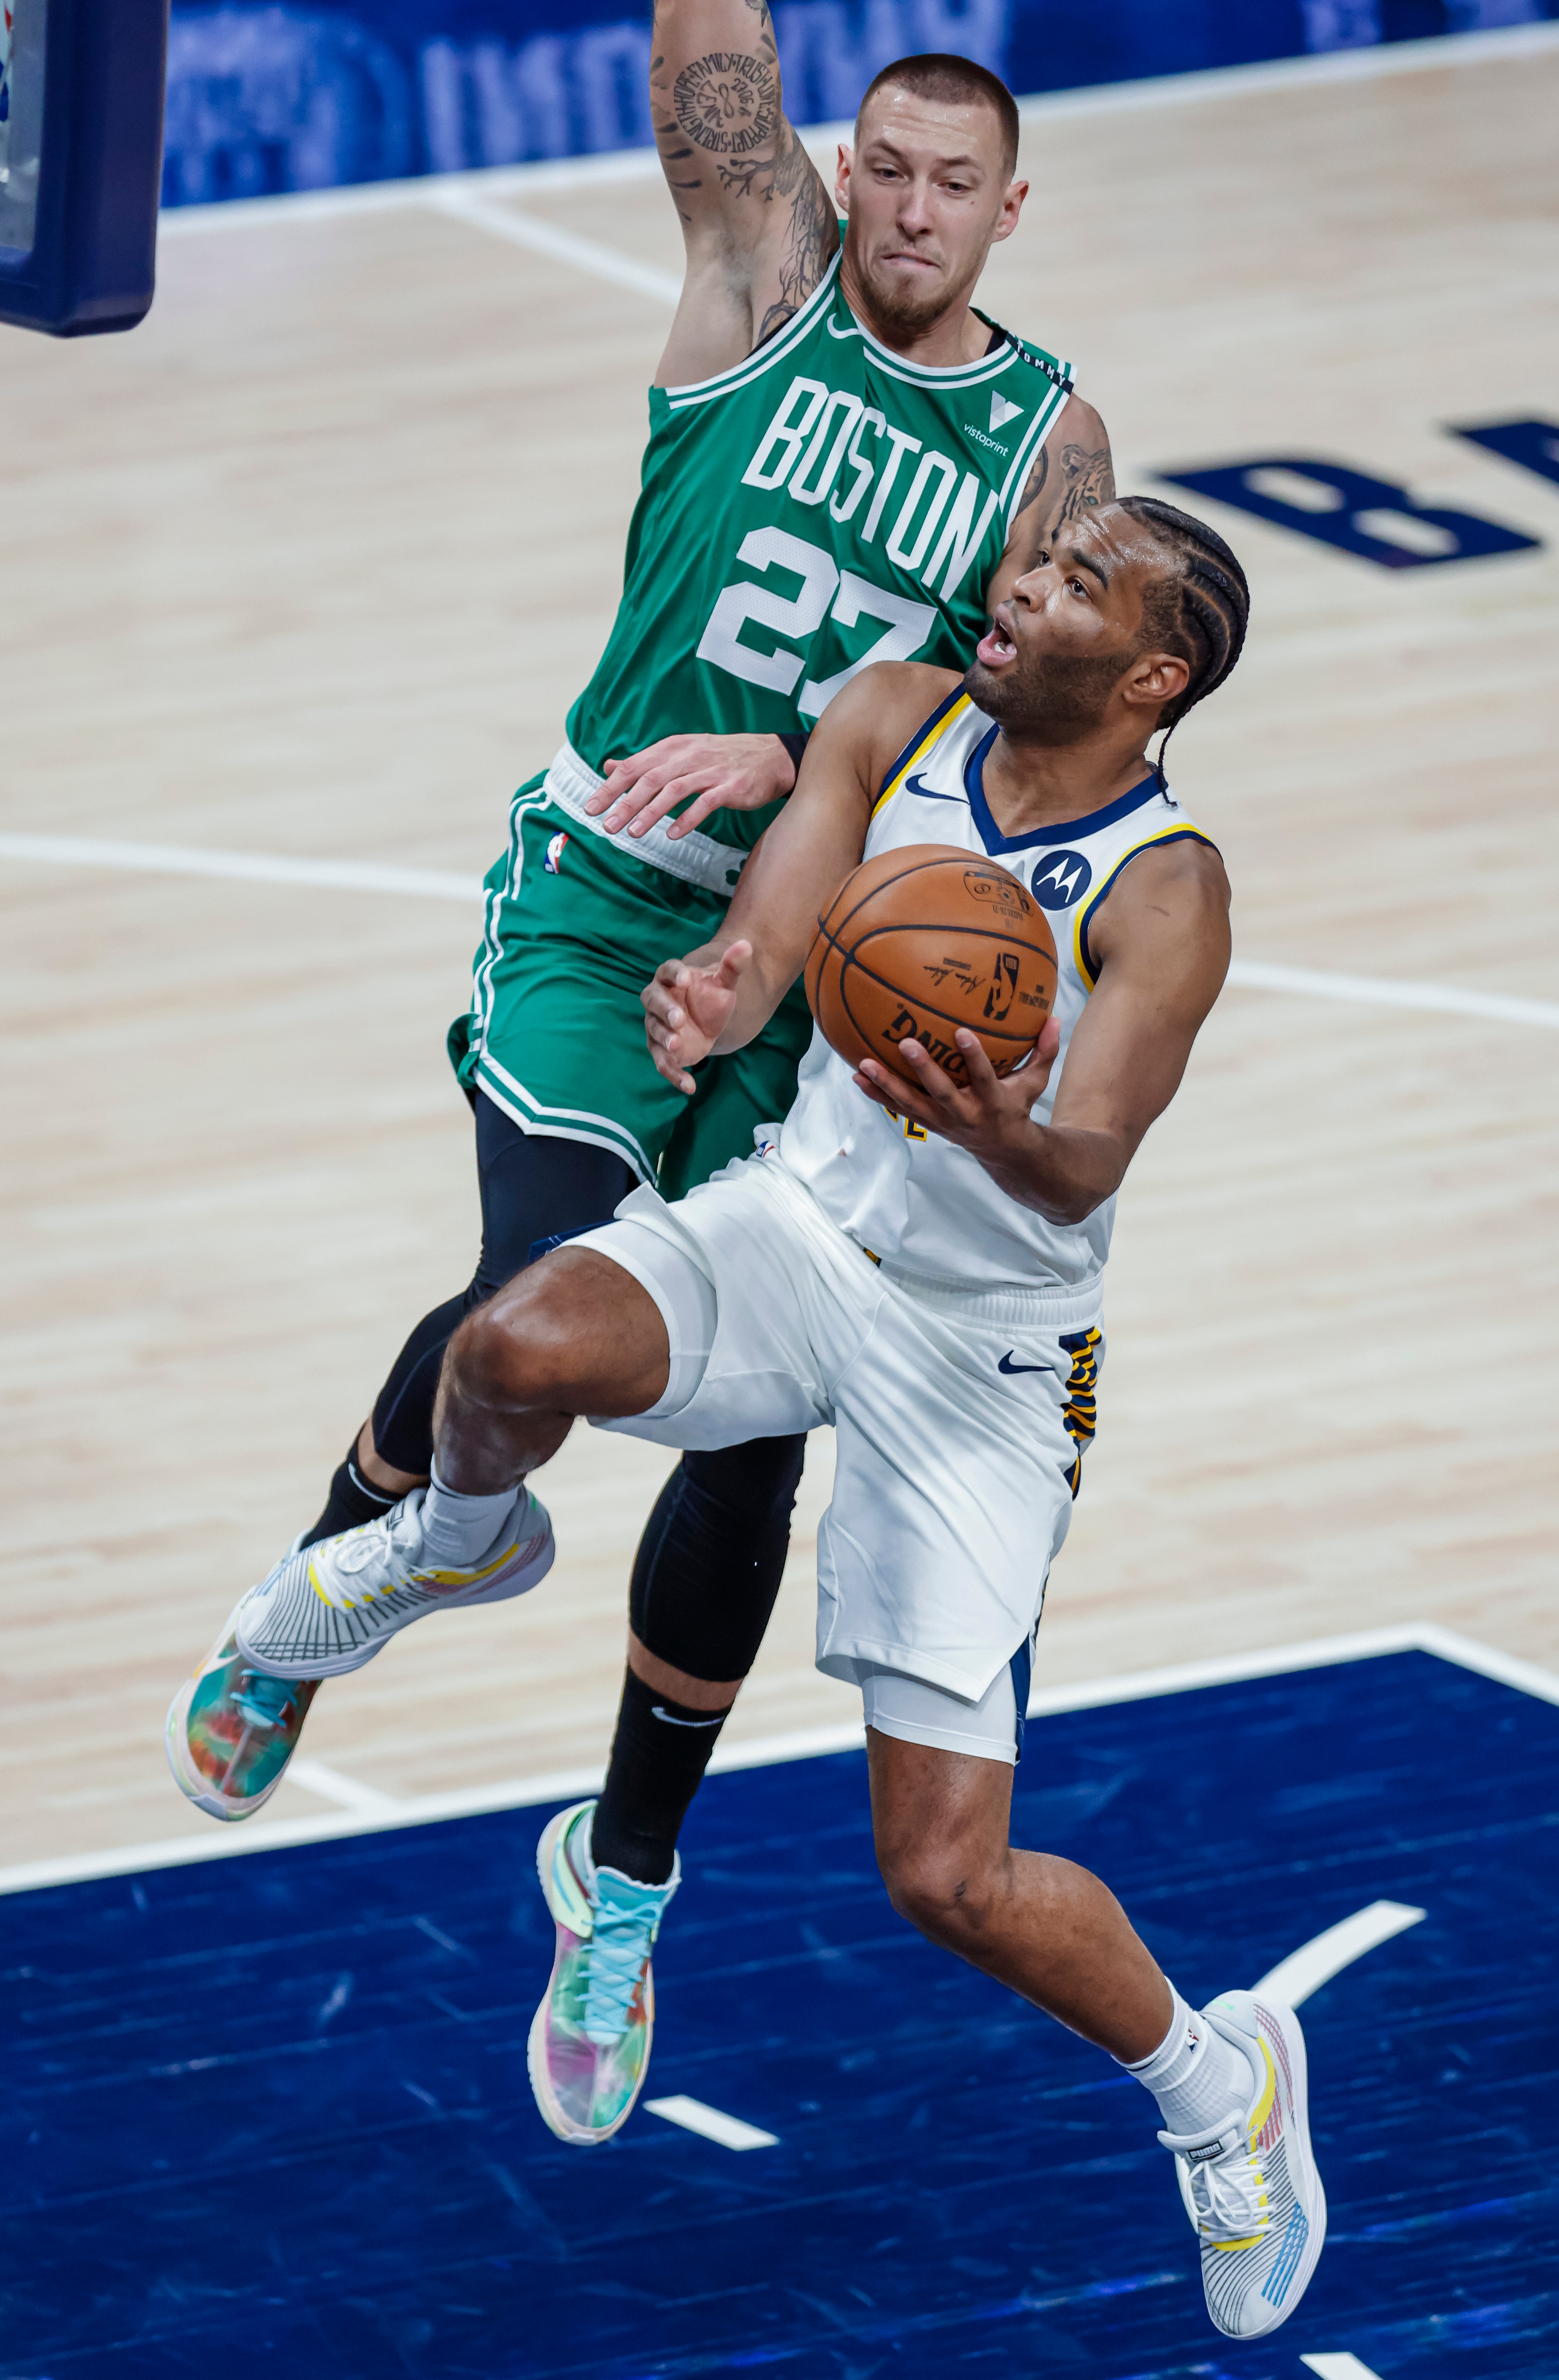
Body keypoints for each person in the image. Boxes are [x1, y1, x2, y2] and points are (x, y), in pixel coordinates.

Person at [228, 498, 1326, 2343]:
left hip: (982, 1354)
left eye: (1070, 589)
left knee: (946, 1875)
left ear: (1152, 678)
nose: (1017, 591)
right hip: (805, 1229)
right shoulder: (896, 710)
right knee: (508, 1348)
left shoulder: (1164, 889)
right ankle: (455, 1536)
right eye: (1031, 561)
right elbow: (788, 894)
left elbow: (1083, 1163)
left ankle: (1226, 2090)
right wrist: (733, 977)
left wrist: (995, 1121)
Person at [169, 29, 1116, 1867]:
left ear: (1013, 210)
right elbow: (708, 50)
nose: (912, 211)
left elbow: (1052, 742)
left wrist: (816, 752)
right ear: (837, 170)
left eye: (955, 184)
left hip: (828, 968)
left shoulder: (1053, 441)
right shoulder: (764, 278)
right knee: (536, 1282)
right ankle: (323, 1591)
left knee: (759, 1431)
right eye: (887, 169)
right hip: (615, 887)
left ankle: (622, 1872)